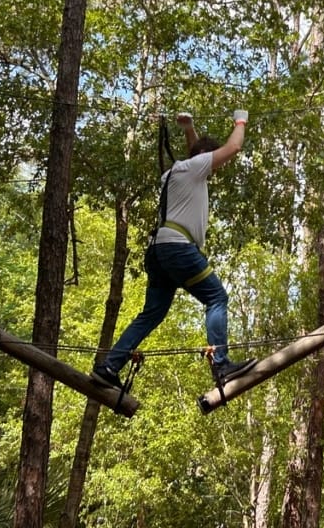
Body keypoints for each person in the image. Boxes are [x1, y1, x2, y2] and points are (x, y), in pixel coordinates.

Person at [91, 109, 256, 390]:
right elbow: (234, 147)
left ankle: (109, 365)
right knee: (217, 297)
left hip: (159, 251)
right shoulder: (194, 168)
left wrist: (188, 128)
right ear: (205, 159)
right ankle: (222, 364)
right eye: (212, 162)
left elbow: (196, 153)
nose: (216, 169)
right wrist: (240, 121)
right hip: (177, 249)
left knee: (152, 313)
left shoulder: (177, 172)